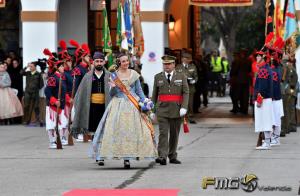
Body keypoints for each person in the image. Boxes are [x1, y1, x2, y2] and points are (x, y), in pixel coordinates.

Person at [91, 53, 157, 169]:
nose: (126, 63)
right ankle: (117, 156)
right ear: (119, 63)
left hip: (133, 104)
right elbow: (112, 94)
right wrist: (114, 87)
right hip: (118, 104)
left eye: (127, 61)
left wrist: (145, 101)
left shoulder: (134, 74)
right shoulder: (113, 75)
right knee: (116, 131)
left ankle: (129, 158)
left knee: (136, 131)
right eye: (123, 61)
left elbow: (139, 91)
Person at [72, 52, 111, 165]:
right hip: (92, 108)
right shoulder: (88, 76)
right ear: (93, 62)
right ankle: (98, 154)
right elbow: (80, 93)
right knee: (95, 132)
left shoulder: (109, 75)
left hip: (106, 107)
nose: (99, 63)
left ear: (104, 62)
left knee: (104, 131)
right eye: (97, 61)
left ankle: (101, 153)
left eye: (101, 61)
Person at [152, 55, 189, 165]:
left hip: (176, 109)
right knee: (163, 133)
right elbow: (154, 95)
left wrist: (184, 107)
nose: (166, 66)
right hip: (162, 109)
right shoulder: (158, 77)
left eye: (169, 64)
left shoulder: (181, 76)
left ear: (173, 64)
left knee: (174, 133)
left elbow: (186, 92)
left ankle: (172, 155)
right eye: (165, 64)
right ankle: (162, 156)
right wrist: (152, 110)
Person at [44, 49, 68, 148]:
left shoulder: (61, 77)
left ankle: (58, 139)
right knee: (51, 124)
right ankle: (52, 141)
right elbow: (47, 91)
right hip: (52, 106)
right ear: (57, 68)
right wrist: (54, 101)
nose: (63, 67)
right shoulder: (53, 78)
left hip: (61, 105)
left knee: (60, 124)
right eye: (61, 66)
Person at [254, 51, 274, 150]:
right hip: (266, 99)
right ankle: (266, 142)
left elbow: (262, 87)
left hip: (264, 99)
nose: (256, 57)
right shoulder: (266, 69)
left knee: (265, 121)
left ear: (263, 58)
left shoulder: (263, 70)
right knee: (266, 120)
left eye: (258, 56)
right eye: (256, 56)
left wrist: (259, 99)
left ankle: (266, 143)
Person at [176, 52, 198, 123]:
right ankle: (182, 118)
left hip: (190, 88)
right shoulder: (178, 67)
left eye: (189, 59)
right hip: (181, 88)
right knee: (181, 103)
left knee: (190, 104)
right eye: (187, 58)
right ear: (183, 59)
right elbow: (175, 77)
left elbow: (196, 76)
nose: (188, 60)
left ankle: (190, 117)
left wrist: (194, 81)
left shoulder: (192, 66)